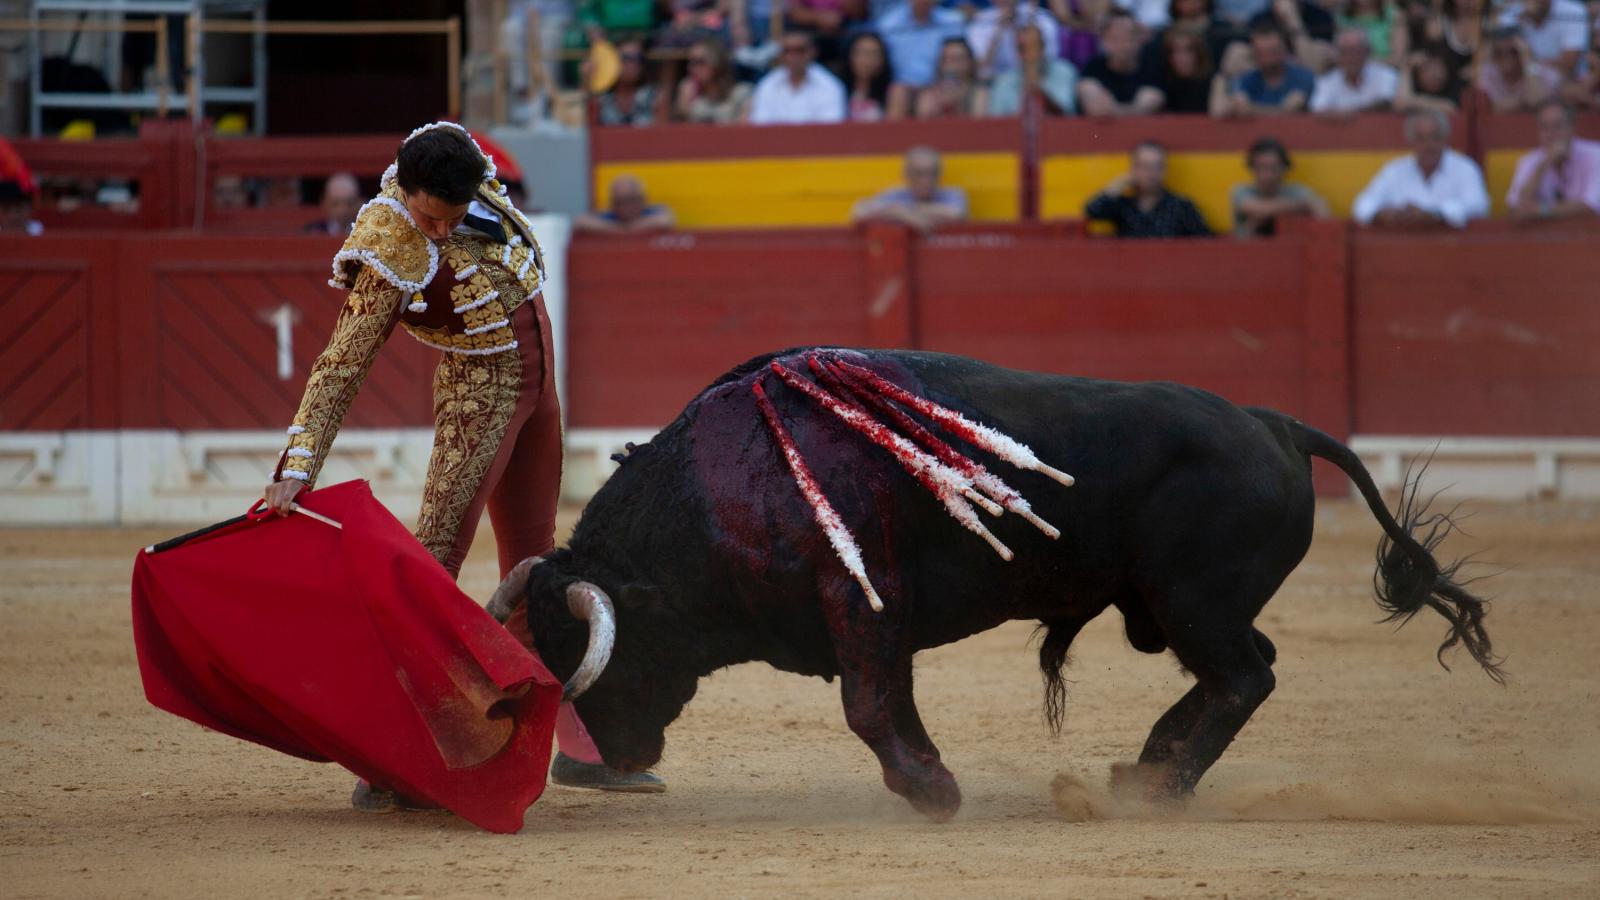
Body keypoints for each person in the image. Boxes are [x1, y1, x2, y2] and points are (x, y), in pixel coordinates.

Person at [262, 123, 667, 805]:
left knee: (539, 567)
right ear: (406, 188)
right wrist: (298, 463)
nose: (443, 231)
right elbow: (340, 365)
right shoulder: (388, 241)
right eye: (430, 217)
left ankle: (580, 743)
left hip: (540, 394)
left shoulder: (467, 178)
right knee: (433, 566)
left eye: (452, 216)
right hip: (479, 402)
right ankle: (391, 760)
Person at [1352, 109, 1489, 228]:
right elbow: (1362, 205)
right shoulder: (1394, 170)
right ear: (1411, 141)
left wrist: (1436, 214)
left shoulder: (1465, 168)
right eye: (1420, 138)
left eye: (1435, 137)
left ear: (1445, 139)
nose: (1428, 145)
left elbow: (1478, 205)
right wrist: (1381, 214)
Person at [1084, 140, 1212, 237]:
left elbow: (1205, 243)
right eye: (1144, 166)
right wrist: (1115, 187)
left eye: (1157, 167)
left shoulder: (1181, 206)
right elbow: (1092, 211)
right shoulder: (1123, 205)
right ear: (1133, 169)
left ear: (1164, 170)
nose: (1151, 173)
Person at [1507, 100, 1600, 220]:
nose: (1551, 134)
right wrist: (1544, 165)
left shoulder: (1596, 156)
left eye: (1558, 126)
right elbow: (1517, 209)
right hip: (1544, 237)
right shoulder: (1530, 161)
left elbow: (1592, 207)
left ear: (1572, 128)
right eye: (1544, 127)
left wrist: (1541, 210)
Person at [851, 145, 970, 231]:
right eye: (918, 173)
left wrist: (904, 211)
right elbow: (858, 212)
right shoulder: (897, 195)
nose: (926, 181)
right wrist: (901, 214)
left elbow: (957, 214)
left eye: (932, 173)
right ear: (907, 175)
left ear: (939, 175)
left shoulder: (952, 194)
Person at [1230, 136, 1330, 235]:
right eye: (1262, 167)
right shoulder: (1241, 191)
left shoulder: (1297, 190)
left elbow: (1322, 212)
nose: (1268, 175)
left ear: (1284, 168)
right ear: (1252, 168)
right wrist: (1300, 206)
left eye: (1274, 168)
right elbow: (1258, 210)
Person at [1212, 22, 1315, 115]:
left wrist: (1252, 110)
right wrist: (1224, 74)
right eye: (1262, 53)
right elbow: (1222, 111)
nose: (1269, 58)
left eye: (1273, 51)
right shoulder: (1247, 79)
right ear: (1254, 54)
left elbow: (1292, 109)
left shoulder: (1302, 76)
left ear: (1284, 50)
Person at [747, 30, 848, 123]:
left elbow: (830, 130)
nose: (793, 57)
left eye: (799, 50)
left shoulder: (830, 86)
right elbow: (761, 125)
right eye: (787, 51)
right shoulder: (767, 85)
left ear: (812, 52)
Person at [1078, 11, 1168, 114]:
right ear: (1105, 41)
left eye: (1129, 37)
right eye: (1116, 38)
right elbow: (1094, 107)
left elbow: (1149, 105)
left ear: (1140, 39)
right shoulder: (1093, 68)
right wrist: (1131, 110)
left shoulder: (1153, 68)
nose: (1124, 45)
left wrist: (1114, 110)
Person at [988, 23, 1080, 114]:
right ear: (1017, 52)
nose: (1030, 54)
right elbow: (996, 121)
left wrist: (1038, 91)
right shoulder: (1004, 81)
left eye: (1034, 46)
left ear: (1043, 47)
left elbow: (1067, 112)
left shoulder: (1064, 71)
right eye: (1023, 48)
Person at [877, 0, 966, 93]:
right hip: (898, 88)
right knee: (899, 93)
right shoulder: (888, 26)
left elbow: (961, 60)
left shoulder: (953, 23)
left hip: (939, 87)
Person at [967, 0, 1063, 79]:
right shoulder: (980, 22)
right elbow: (980, 67)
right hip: (997, 80)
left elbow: (1052, 57)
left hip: (1040, 75)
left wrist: (1029, 25)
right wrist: (999, 29)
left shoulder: (1041, 17)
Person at [1497, 0, 1588, 81]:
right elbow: (1498, 54)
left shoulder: (1572, 11)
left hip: (1568, 84)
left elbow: (1568, 66)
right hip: (1525, 82)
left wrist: (1530, 64)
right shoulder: (1517, 12)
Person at [1310, 28, 1398, 112]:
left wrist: (1347, 112)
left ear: (1367, 52)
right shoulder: (1327, 81)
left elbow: (1386, 103)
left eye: (1355, 51)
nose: (1350, 58)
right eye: (1344, 52)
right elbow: (1318, 108)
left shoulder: (1386, 75)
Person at [1478, 28, 1561, 112]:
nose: (1506, 57)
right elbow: (1491, 107)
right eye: (1498, 52)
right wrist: (1522, 101)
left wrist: (1528, 59)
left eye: (1513, 51)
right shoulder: (1490, 71)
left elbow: (1537, 100)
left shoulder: (1540, 70)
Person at [675, 36, 754, 122]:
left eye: (700, 62)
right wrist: (684, 110)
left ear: (717, 62)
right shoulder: (692, 98)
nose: (692, 68)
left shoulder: (741, 95)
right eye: (691, 62)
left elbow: (744, 131)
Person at [592, 36, 659, 126]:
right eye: (625, 58)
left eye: (638, 58)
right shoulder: (600, 99)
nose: (632, 64)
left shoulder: (655, 98)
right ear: (613, 61)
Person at [574, 174, 677, 232]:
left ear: (642, 200)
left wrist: (628, 229)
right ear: (613, 204)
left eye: (631, 200)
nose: (626, 207)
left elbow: (666, 219)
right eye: (620, 202)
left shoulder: (651, 212)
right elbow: (580, 221)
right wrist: (621, 229)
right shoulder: (610, 216)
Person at [916, 36, 989, 116]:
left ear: (970, 62)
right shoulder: (929, 95)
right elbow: (924, 123)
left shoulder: (979, 93)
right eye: (946, 59)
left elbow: (979, 123)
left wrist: (959, 103)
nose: (951, 64)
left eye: (957, 59)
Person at [843, 31, 901, 120]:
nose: (867, 60)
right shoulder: (837, 89)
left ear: (883, 60)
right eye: (862, 53)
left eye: (874, 54)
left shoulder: (893, 93)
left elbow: (894, 129)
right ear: (850, 56)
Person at [1159, 27, 1218, 112]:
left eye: (1188, 50)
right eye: (1174, 51)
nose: (1181, 58)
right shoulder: (1163, 84)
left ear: (1199, 53)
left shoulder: (1214, 84)